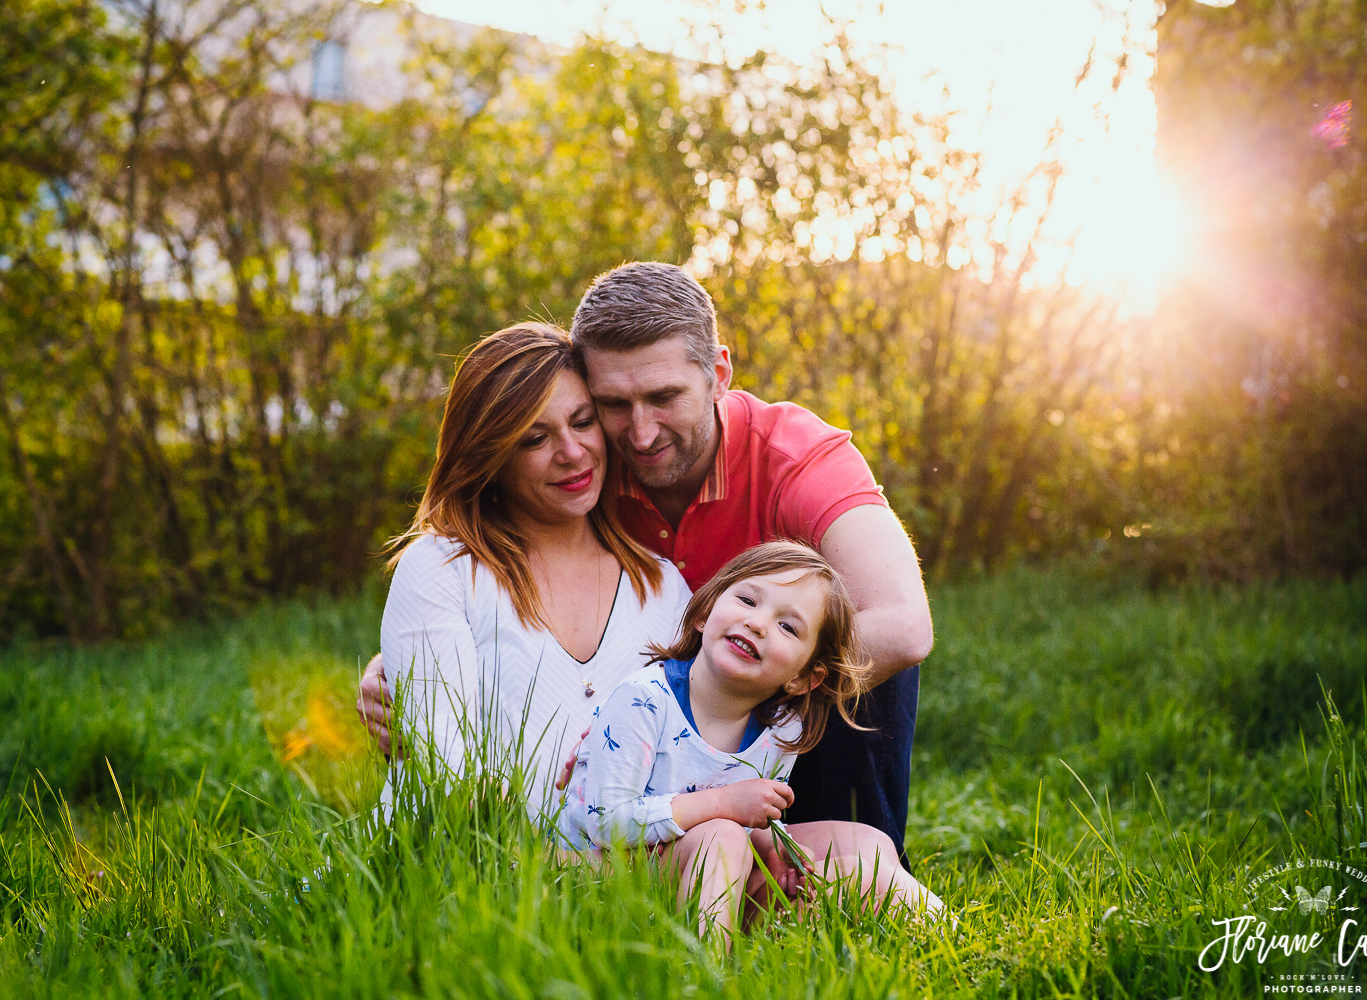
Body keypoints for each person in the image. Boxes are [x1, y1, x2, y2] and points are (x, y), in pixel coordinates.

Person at [361, 262, 933, 864]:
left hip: (770, 717)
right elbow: (483, 581)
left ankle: (852, 859)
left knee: (845, 646)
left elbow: (904, 623)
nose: (639, 434)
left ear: (718, 374)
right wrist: (408, 657)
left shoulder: (796, 459)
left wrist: (742, 682)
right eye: (611, 404)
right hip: (641, 777)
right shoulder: (586, 476)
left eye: (664, 398)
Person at [558, 542, 945, 944]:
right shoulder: (643, 701)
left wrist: (774, 847)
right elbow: (606, 823)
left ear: (804, 678)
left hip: (700, 866)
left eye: (788, 627)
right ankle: (706, 972)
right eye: (747, 600)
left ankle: (965, 939)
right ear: (705, 613)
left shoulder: (781, 730)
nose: (758, 623)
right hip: (600, 872)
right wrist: (724, 806)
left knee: (868, 842)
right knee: (720, 836)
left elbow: (752, 820)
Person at [381, 322, 691, 816]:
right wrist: (570, 868)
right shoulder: (443, 570)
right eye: (534, 439)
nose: (571, 453)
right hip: (456, 874)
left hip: (622, 876)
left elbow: (688, 764)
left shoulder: (661, 587)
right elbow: (446, 777)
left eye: (583, 421)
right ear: (491, 455)